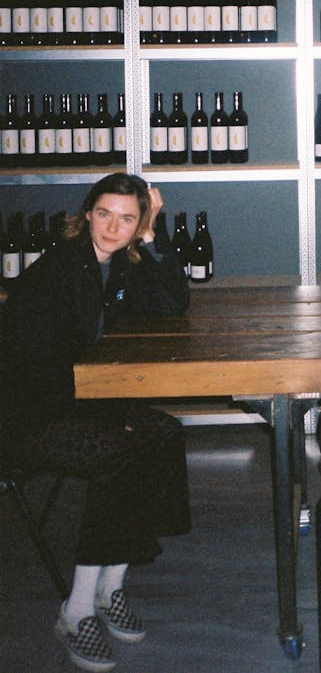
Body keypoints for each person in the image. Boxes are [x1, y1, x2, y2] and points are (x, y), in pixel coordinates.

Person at [2, 173, 191, 672]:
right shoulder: (62, 270)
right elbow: (32, 375)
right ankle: (77, 608)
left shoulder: (113, 264)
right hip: (25, 420)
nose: (113, 226)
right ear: (87, 212)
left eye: (128, 218)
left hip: (72, 402)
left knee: (165, 433)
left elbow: (174, 303)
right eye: (104, 214)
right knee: (121, 450)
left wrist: (153, 236)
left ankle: (112, 586)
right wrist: (108, 419)